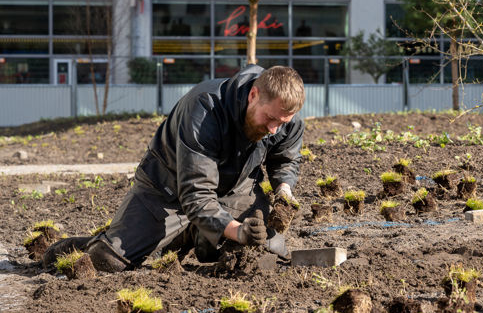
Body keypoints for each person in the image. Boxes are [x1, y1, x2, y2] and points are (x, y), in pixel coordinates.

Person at [44, 64, 304, 272]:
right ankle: (93, 243)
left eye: (282, 122)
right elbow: (196, 194)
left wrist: (284, 189)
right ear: (253, 95)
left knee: (267, 250)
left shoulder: (283, 117)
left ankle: (194, 234)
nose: (274, 129)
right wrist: (238, 230)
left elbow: (285, 159)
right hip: (167, 190)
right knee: (108, 260)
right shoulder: (205, 109)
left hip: (233, 190)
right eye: (270, 119)